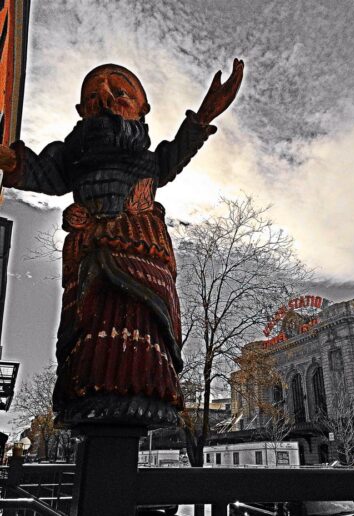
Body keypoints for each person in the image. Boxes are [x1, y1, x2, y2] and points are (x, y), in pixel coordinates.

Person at [0, 59, 244, 427]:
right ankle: (87, 393)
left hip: (142, 248)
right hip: (89, 251)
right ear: (81, 112)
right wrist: (8, 159)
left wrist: (206, 113)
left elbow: (177, 152)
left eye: (119, 94)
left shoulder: (148, 162)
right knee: (88, 325)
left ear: (143, 109)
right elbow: (39, 173)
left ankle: (147, 391)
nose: (106, 102)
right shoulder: (72, 158)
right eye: (94, 99)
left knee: (143, 321)